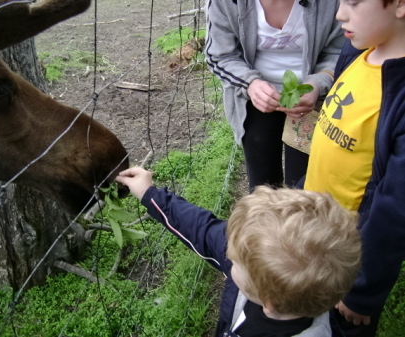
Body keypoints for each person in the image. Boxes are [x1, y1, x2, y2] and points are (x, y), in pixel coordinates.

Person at [116, 167, 361, 337]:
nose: (227, 253)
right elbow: (202, 230)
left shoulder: (255, 267)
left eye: (233, 261)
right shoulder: (259, 266)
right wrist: (150, 194)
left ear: (268, 304)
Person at [302, 0, 405, 336]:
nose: (339, 13)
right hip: (315, 227)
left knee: (342, 327)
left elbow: (396, 209)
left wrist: (363, 289)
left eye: (354, 3)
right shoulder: (358, 49)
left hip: (348, 254)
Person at [204, 0, 345, 189]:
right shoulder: (226, 3)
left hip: (313, 102)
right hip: (254, 101)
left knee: (304, 189)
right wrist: (250, 83)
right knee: (263, 188)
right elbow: (219, 55)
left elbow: (340, 52)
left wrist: (319, 84)